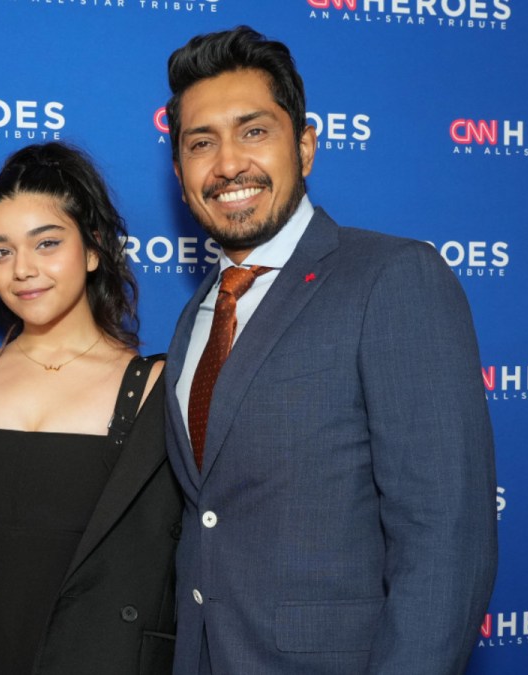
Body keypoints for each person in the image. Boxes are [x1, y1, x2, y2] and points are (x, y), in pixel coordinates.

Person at [162, 27, 498, 674]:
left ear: (307, 145)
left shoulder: (393, 278)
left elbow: (445, 543)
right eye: (201, 143)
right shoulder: (197, 314)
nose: (228, 163)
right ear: (180, 175)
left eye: (254, 131)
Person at [0, 142, 182, 675]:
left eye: (46, 244)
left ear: (93, 250)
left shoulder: (153, 386)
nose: (22, 270)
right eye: (1, 250)